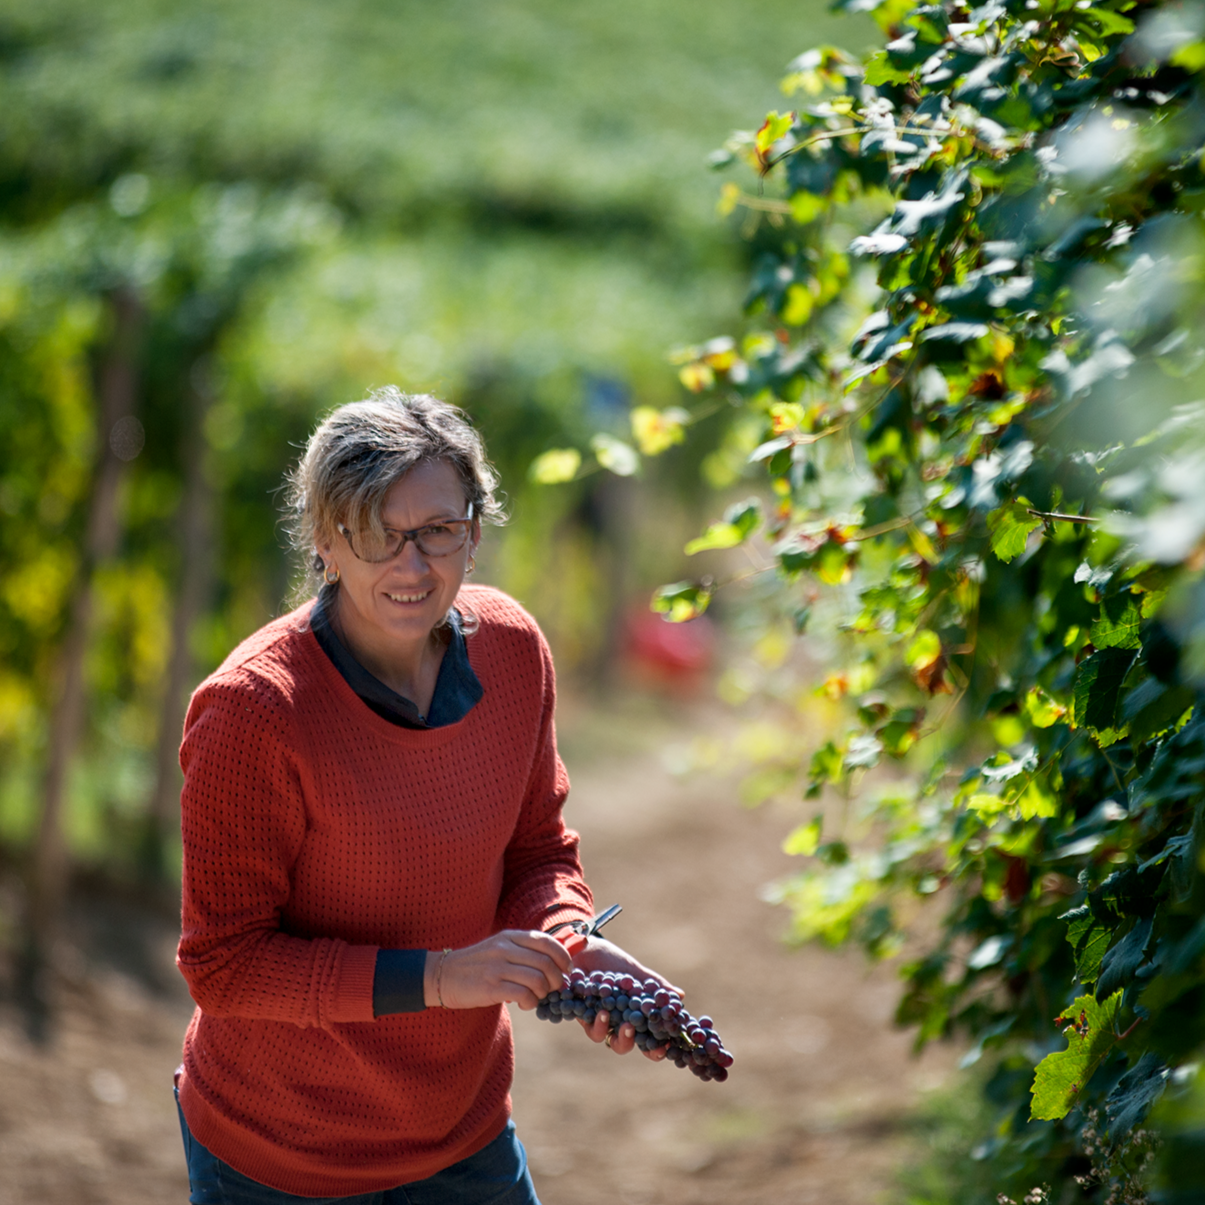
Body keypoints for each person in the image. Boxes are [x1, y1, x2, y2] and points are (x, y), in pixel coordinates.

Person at [173, 388, 668, 1205]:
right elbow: (224, 965)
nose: (412, 565)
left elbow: (537, 850)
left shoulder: (511, 650)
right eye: (376, 532)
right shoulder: (255, 710)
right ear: (325, 540)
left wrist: (568, 938)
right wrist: (439, 978)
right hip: (280, 1158)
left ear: (474, 531)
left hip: (463, 1133)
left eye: (439, 528)